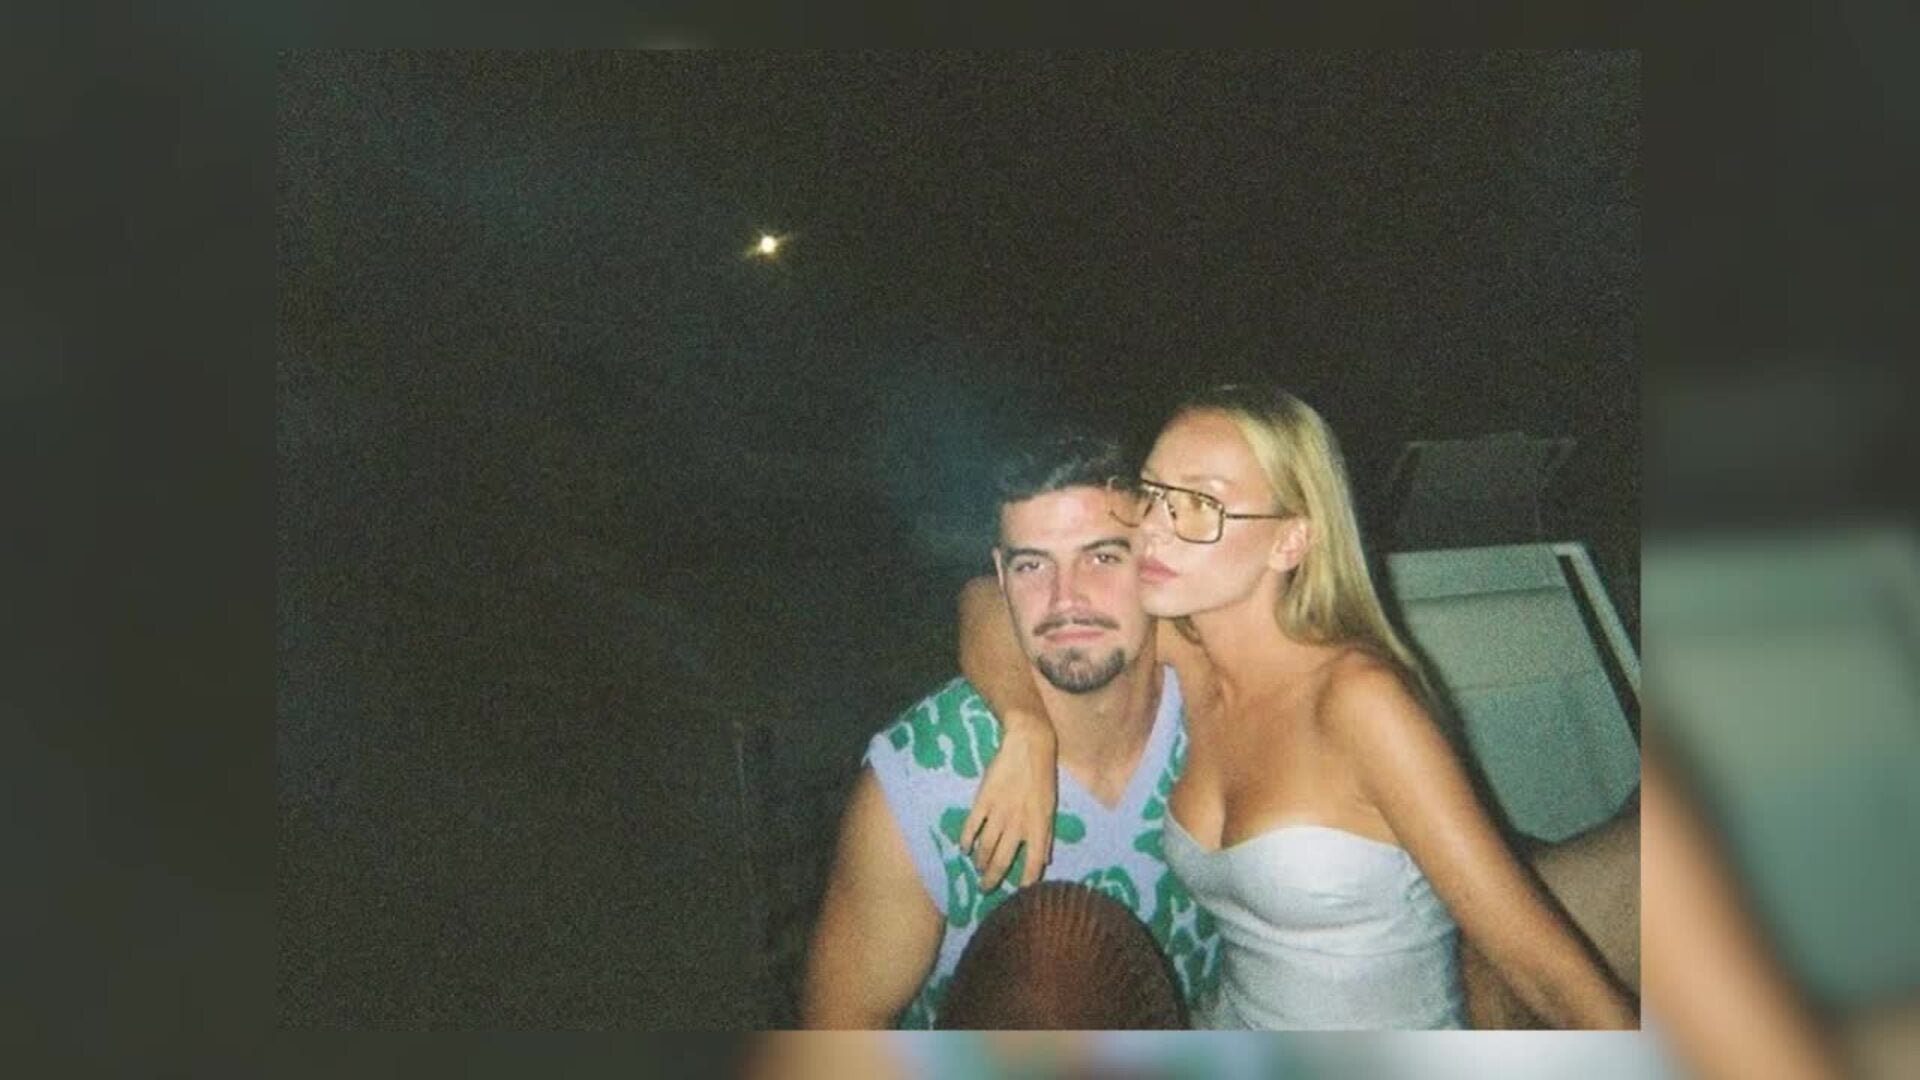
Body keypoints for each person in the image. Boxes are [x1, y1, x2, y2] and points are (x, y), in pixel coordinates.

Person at [958, 383, 1636, 1029]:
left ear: (1290, 541)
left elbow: (1548, 973)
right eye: (1154, 494)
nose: (1155, 530)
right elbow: (990, 600)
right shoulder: (1191, 654)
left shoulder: (1359, 702)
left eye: (1200, 503)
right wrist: (1025, 729)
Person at [801, 430, 1221, 1029]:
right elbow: (839, 1032)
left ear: (1153, 560)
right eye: (1032, 565)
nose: (1066, 598)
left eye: (1102, 557)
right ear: (1001, 576)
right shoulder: (925, 782)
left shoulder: (1216, 711)